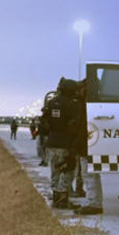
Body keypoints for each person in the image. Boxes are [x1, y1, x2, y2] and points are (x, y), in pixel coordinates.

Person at [44, 78, 80, 209]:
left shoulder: (51, 102)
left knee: (55, 171)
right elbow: (74, 125)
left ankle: (56, 196)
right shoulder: (73, 104)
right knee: (67, 170)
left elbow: (45, 123)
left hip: (52, 142)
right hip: (66, 143)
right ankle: (63, 198)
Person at [72, 80, 104, 215]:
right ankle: (94, 202)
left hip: (87, 144)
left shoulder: (86, 106)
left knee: (89, 175)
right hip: (88, 143)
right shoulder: (93, 105)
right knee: (90, 175)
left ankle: (94, 203)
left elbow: (81, 128)